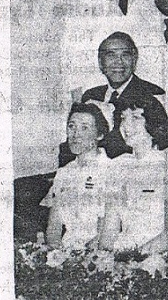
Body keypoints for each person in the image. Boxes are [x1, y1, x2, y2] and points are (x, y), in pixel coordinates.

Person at [98, 97, 168, 253]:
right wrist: (102, 260)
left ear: (153, 121)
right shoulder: (117, 165)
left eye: (135, 117)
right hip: (121, 254)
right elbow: (109, 230)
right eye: (122, 118)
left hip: (154, 257)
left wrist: (133, 259)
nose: (126, 125)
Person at [62, 32, 168, 164]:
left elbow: (160, 144)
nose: (119, 62)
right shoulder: (91, 95)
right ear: (101, 62)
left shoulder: (152, 94)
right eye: (111, 55)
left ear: (134, 61)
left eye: (125, 55)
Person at [44, 103, 116, 249]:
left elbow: (108, 230)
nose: (76, 134)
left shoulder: (112, 169)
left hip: (98, 252)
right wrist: (55, 251)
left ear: (99, 134)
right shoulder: (64, 172)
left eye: (84, 128)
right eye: (72, 126)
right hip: (66, 250)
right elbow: (54, 227)